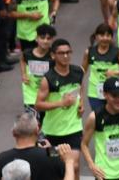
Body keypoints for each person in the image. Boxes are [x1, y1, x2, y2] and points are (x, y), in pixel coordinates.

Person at [80, 77, 119, 180]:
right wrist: (92, 165)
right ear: (105, 95)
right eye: (114, 95)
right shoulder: (95, 117)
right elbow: (84, 144)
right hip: (105, 174)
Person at [34, 39, 83, 174]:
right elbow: (38, 105)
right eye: (61, 53)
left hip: (73, 128)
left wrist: (81, 103)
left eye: (68, 52)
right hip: (53, 132)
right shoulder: (47, 79)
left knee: (74, 165)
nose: (66, 56)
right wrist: (61, 103)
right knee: (55, 167)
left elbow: (80, 88)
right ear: (53, 55)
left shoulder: (78, 72)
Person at [0, 111, 66, 180]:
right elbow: (65, 173)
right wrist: (51, 150)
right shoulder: (52, 154)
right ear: (37, 131)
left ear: (13, 133)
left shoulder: (1, 159)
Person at [81, 23, 119, 112]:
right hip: (95, 93)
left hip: (114, 92)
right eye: (102, 35)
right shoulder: (89, 52)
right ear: (96, 37)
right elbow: (82, 71)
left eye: (108, 35)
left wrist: (115, 73)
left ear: (111, 37)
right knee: (99, 118)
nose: (105, 38)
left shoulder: (118, 52)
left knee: (113, 118)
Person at [21, 24, 55, 112]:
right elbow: (22, 60)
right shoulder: (27, 53)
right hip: (30, 95)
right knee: (33, 123)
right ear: (36, 38)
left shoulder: (54, 55)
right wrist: (24, 74)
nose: (45, 41)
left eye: (48, 38)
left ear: (52, 40)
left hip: (48, 96)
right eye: (42, 38)